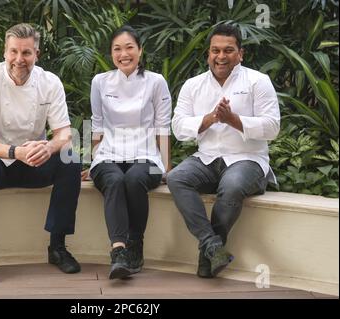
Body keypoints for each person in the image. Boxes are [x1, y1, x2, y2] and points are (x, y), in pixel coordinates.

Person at [0, 23, 81, 283]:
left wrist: (48, 147)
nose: (19, 59)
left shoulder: (49, 82)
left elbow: (64, 133)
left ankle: (57, 247)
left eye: (26, 53)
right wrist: (16, 152)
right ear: (5, 52)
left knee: (70, 161)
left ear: (36, 55)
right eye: (13, 52)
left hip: (32, 161)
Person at [167, 24, 280, 278]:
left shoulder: (258, 81)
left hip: (247, 159)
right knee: (176, 178)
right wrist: (209, 119)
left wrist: (233, 120)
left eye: (228, 50)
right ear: (208, 53)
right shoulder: (193, 85)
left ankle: (207, 254)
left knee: (232, 185)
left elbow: (272, 126)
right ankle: (212, 246)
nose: (221, 56)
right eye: (215, 50)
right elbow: (178, 127)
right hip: (207, 158)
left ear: (241, 53)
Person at [81, 25, 172, 280]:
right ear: (111, 53)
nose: (124, 54)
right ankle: (118, 252)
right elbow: (96, 124)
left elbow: (163, 127)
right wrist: (94, 160)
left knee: (133, 179)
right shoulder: (100, 82)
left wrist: (166, 167)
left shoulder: (156, 82)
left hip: (147, 155)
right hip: (108, 153)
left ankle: (136, 244)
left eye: (129, 47)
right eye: (117, 49)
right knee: (113, 180)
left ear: (140, 50)